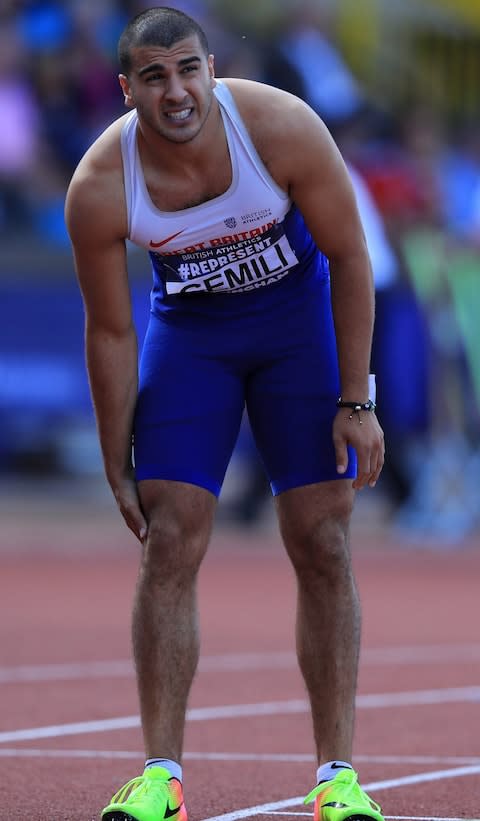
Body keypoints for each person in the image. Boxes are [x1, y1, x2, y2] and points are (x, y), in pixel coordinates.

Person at [64, 7, 385, 821]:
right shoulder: (101, 184)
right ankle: (160, 777)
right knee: (170, 533)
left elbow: (352, 257)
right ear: (128, 89)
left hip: (295, 327)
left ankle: (337, 778)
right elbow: (109, 328)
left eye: (189, 70)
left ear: (212, 69)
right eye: (155, 76)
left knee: (321, 532)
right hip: (194, 337)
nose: (177, 92)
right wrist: (113, 455)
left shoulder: (279, 124)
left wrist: (357, 398)